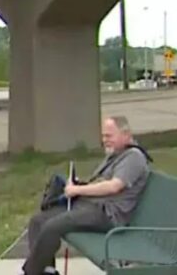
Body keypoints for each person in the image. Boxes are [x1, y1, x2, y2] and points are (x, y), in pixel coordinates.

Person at [21, 115, 151, 275]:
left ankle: (30, 272)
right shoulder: (115, 155)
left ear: (126, 135)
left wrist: (77, 191)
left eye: (109, 136)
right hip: (91, 206)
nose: (105, 140)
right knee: (38, 221)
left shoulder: (134, 157)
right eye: (103, 136)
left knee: (52, 227)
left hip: (108, 215)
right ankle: (47, 270)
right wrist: (78, 184)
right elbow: (101, 183)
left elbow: (114, 186)